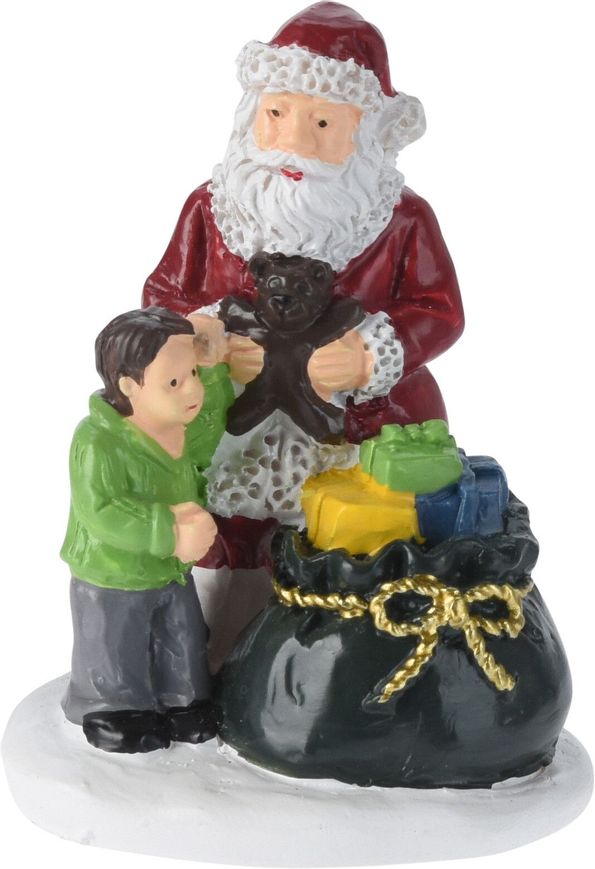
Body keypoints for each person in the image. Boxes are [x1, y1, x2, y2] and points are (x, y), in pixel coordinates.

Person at [142, 3, 464, 572]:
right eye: (276, 113)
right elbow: (164, 293)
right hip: (231, 414)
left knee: (358, 521)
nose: (294, 142)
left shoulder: (400, 219)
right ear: (252, 112)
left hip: (357, 420)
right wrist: (203, 334)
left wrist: (369, 355)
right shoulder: (211, 208)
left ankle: (349, 594)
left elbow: (439, 310)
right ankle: (227, 591)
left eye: (322, 124)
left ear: (364, 133)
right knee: (218, 516)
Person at [60, 307, 234, 752]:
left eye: (191, 374)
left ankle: (183, 700)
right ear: (128, 386)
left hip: (171, 569)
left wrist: (214, 372)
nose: (191, 388)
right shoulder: (98, 440)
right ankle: (114, 708)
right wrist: (170, 531)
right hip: (114, 573)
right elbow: (102, 510)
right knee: (115, 645)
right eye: (174, 382)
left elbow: (209, 434)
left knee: (182, 635)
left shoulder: (176, 425)